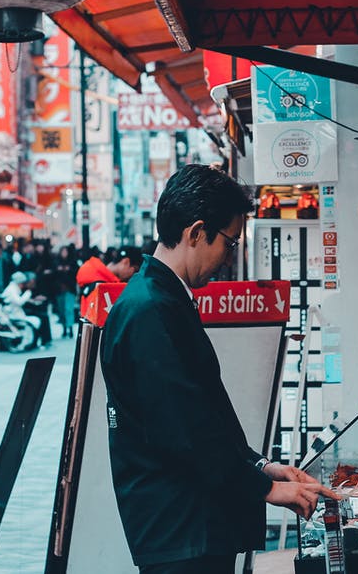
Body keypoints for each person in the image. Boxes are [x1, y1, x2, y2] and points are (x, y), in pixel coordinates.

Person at [100, 165, 337, 574]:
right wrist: (266, 488)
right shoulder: (149, 310)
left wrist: (261, 465)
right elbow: (184, 431)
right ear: (195, 233)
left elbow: (202, 416)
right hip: (181, 529)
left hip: (189, 525)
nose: (229, 257)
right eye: (229, 244)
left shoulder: (163, 299)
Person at [75, 245, 144, 295]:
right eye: (135, 270)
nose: (133, 275)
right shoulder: (105, 286)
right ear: (126, 262)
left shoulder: (93, 274)